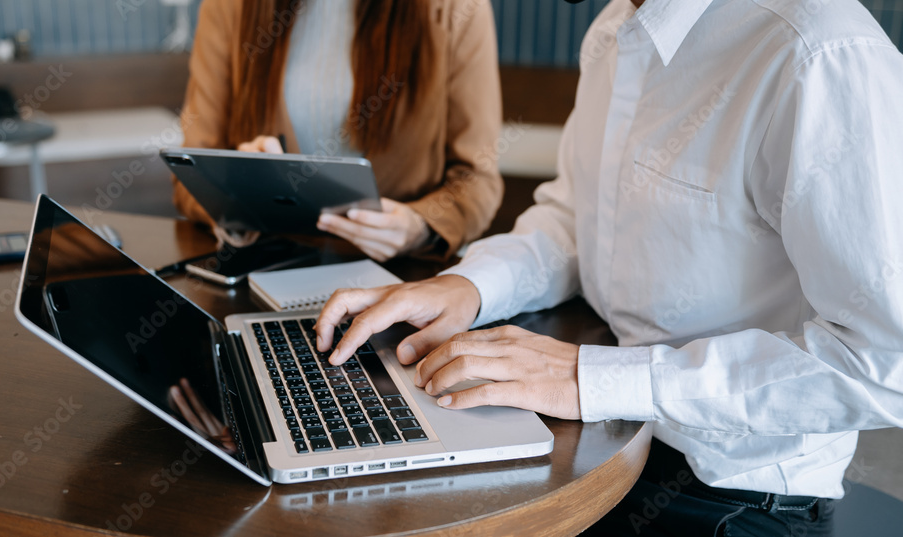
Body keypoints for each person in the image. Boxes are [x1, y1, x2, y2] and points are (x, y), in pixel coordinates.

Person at [314, 0, 903, 535]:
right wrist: (469, 285)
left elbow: (885, 364)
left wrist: (595, 379)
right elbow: (575, 218)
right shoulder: (614, 30)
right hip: (598, 443)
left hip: (728, 498)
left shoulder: (822, 55)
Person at [172, 0, 503, 261]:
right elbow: (189, 178)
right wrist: (234, 200)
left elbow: (477, 181)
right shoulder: (228, 7)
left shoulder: (457, 7)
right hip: (268, 270)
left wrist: (418, 226)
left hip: (400, 280)